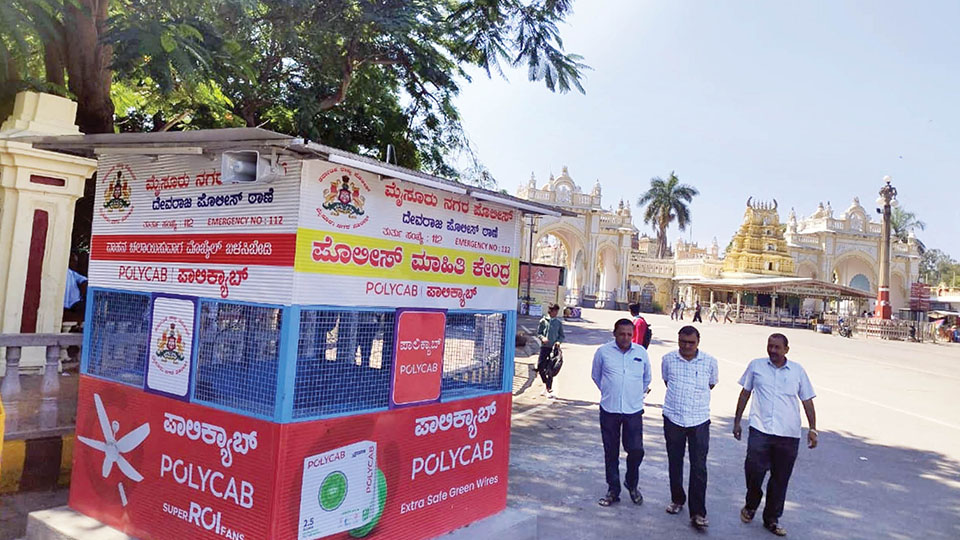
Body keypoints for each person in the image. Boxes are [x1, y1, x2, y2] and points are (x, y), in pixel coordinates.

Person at [733, 333, 818, 537]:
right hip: (760, 429)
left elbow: (807, 400)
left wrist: (813, 429)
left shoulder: (797, 371)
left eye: (777, 347)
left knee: (780, 479)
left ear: (786, 349)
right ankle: (752, 503)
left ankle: (771, 518)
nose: (772, 350)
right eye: (770, 346)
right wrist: (737, 421)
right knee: (753, 470)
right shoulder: (756, 366)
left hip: (788, 434)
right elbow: (745, 393)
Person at [661, 326, 718, 530]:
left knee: (699, 466)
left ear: (698, 342)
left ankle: (698, 513)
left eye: (691, 343)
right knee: (675, 462)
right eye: (683, 342)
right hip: (673, 418)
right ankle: (677, 499)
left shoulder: (710, 362)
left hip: (699, 420)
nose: (686, 346)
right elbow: (667, 381)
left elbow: (711, 384)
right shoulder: (668, 359)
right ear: (678, 341)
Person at [591, 319, 652, 507]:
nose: (625, 338)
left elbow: (647, 379)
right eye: (621, 334)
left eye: (629, 334)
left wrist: (633, 395)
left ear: (633, 335)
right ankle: (613, 490)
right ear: (614, 334)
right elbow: (596, 376)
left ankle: (631, 483)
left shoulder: (641, 353)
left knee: (636, 450)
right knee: (611, 451)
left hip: (633, 410)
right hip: (609, 410)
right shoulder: (603, 352)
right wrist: (610, 391)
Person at [536, 304, 565, 398]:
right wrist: (542, 338)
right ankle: (546, 383)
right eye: (554, 311)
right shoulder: (543, 321)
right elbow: (539, 333)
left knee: (550, 369)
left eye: (557, 311)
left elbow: (561, 335)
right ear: (550, 311)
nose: (556, 313)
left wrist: (558, 342)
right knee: (540, 366)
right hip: (544, 347)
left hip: (554, 348)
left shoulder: (558, 323)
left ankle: (548, 388)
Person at [63, 251, 88, 321]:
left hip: (75, 303)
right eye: (73, 261)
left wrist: (82, 292)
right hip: (66, 305)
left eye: (76, 262)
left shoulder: (73, 274)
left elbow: (84, 280)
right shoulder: (66, 272)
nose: (75, 264)